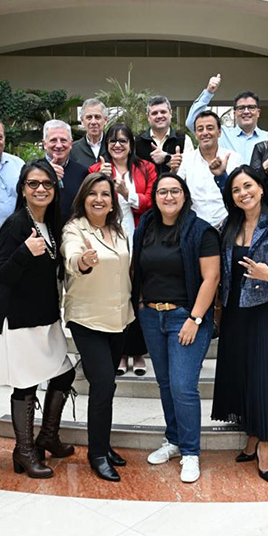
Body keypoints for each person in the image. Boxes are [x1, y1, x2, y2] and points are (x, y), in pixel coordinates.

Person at [211, 166, 268, 483]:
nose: (243, 193)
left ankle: (264, 446)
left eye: (247, 186)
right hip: (235, 312)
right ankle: (251, 435)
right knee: (242, 376)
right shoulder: (228, 225)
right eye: (236, 189)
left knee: (264, 378)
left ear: (261, 188)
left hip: (267, 312)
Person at [0, 159, 76, 479]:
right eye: (33, 183)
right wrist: (25, 251)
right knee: (25, 386)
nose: (41, 189)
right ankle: (24, 451)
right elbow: (2, 273)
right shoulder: (15, 224)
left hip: (46, 317)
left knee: (64, 374)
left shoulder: (51, 223)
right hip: (20, 319)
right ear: (23, 189)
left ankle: (48, 436)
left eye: (47, 184)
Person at [133, 173, 221, 483]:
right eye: (162, 192)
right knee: (166, 383)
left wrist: (195, 319)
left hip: (185, 317)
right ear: (154, 197)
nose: (168, 197)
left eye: (175, 191)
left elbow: (211, 278)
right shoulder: (146, 227)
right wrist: (141, 303)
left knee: (183, 386)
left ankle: (191, 452)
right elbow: (138, 268)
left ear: (185, 195)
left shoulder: (201, 231)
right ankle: (173, 440)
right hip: (151, 317)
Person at [62, 172, 135, 482]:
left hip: (119, 318)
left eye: (105, 194)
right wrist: (83, 261)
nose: (99, 199)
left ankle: (103, 444)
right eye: (93, 193)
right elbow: (72, 257)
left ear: (112, 201)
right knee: (103, 383)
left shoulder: (119, 229)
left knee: (108, 385)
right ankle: (97, 453)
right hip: (87, 318)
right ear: (83, 198)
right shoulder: (74, 229)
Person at [90, 122, 157, 376]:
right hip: (106, 239)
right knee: (113, 295)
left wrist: (128, 193)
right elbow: (89, 202)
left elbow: (152, 202)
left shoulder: (146, 168)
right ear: (106, 145)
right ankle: (119, 352)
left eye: (123, 141)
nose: (117, 145)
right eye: (112, 141)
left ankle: (137, 352)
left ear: (131, 145)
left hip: (137, 238)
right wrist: (102, 179)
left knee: (135, 293)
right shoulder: (97, 169)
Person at [177, 110, 242, 228]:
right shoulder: (186, 160)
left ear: (219, 132)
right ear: (196, 134)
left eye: (210, 128)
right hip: (195, 226)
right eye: (200, 129)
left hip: (228, 225)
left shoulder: (233, 158)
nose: (205, 133)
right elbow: (177, 190)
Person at [185, 73, 268, 164]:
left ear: (258, 112)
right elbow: (191, 122)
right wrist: (209, 92)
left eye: (251, 107)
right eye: (241, 108)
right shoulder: (222, 134)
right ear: (234, 113)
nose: (246, 111)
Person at [134, 95, 194, 176]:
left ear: (170, 113)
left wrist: (167, 157)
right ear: (148, 117)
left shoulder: (184, 139)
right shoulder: (137, 141)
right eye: (154, 113)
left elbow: (191, 169)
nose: (159, 116)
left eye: (163, 112)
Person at [42, 119, 89, 219]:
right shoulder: (32, 170)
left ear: (71, 144)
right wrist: (46, 174)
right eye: (53, 140)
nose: (59, 145)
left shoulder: (82, 172)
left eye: (63, 140)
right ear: (44, 144)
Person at [70, 98, 110, 168]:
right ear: (82, 121)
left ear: (105, 120)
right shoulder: (73, 150)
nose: (93, 122)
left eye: (97, 117)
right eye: (89, 117)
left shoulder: (113, 147)